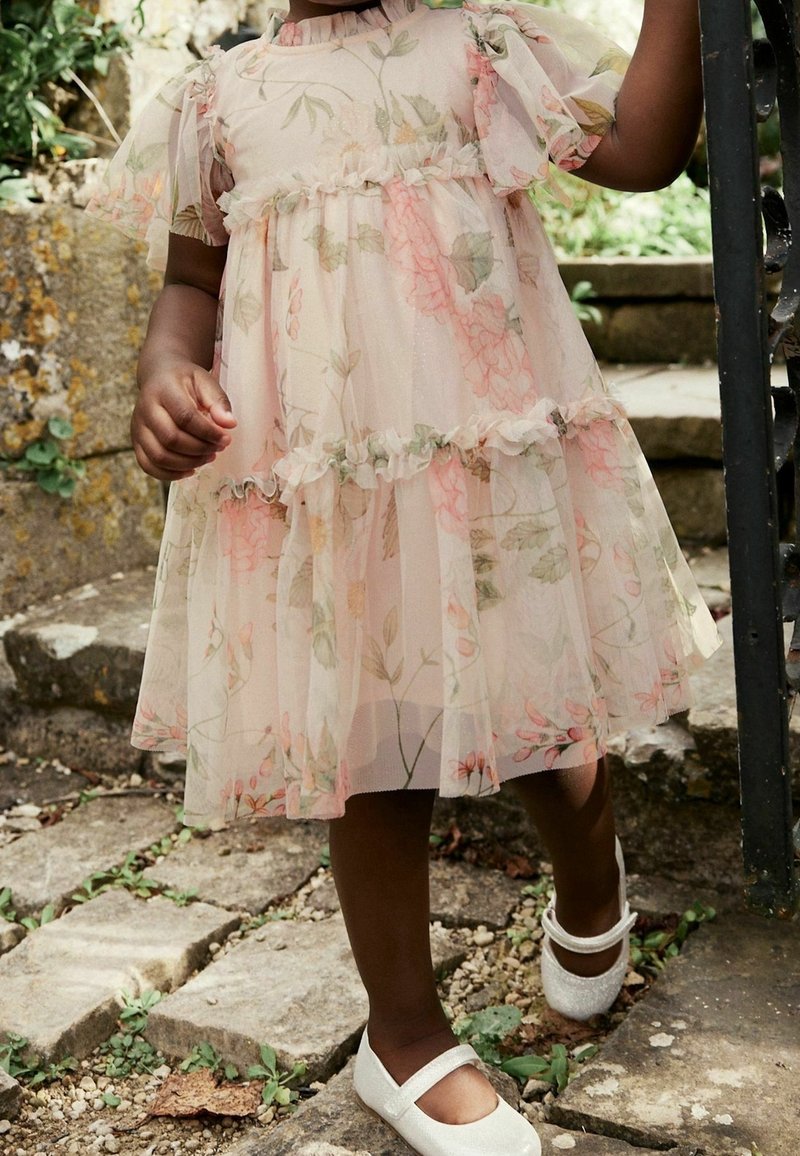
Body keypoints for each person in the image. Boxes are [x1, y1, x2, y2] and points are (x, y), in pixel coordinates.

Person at [86, 0, 720, 1151]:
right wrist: (167, 364)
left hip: (483, 457)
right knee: (368, 743)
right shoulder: (220, 101)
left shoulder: (478, 43)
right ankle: (403, 1035)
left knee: (548, 732)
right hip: (331, 482)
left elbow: (637, 149)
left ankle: (589, 889)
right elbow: (189, 281)